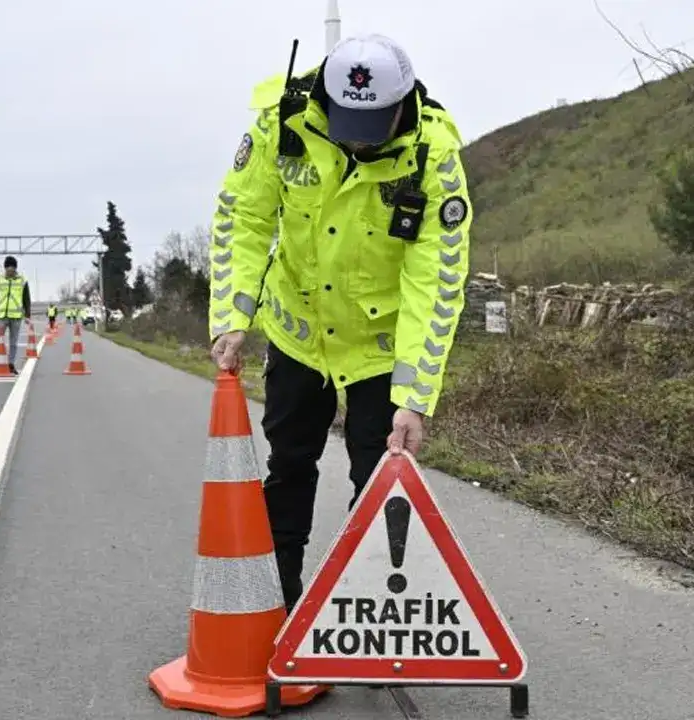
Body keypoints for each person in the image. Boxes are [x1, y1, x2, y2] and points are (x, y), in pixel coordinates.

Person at [206, 34, 473, 610]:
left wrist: (414, 397)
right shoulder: (282, 125)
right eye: (348, 117)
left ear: (403, 105)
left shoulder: (435, 157)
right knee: (290, 464)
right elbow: (243, 218)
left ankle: (368, 614)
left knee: (377, 479)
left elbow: (437, 280)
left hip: (379, 346)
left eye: (374, 120)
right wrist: (233, 315)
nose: (358, 133)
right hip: (298, 330)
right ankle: (277, 605)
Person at [0, 255, 31, 374]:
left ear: (15, 269)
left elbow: (26, 299)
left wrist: (27, 316)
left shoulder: (22, 281)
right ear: (5, 268)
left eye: (12, 270)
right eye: (8, 270)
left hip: (16, 317)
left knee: (13, 343)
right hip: (1, 316)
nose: (10, 272)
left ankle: (11, 364)